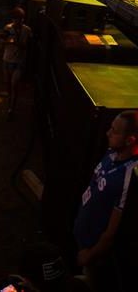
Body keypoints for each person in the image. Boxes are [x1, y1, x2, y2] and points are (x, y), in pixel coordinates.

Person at [73, 110, 138, 291]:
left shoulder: (129, 176)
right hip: (81, 236)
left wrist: (90, 254)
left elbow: (111, 232)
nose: (108, 133)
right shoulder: (111, 153)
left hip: (93, 252)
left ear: (130, 140)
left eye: (114, 131)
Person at [2, 7, 32, 120]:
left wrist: (20, 45)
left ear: (23, 19)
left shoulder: (27, 30)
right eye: (16, 19)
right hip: (7, 60)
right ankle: (9, 104)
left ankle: (12, 108)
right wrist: (7, 41)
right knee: (8, 85)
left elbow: (30, 44)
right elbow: (1, 40)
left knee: (14, 84)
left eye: (20, 19)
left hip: (19, 62)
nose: (18, 21)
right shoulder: (8, 28)